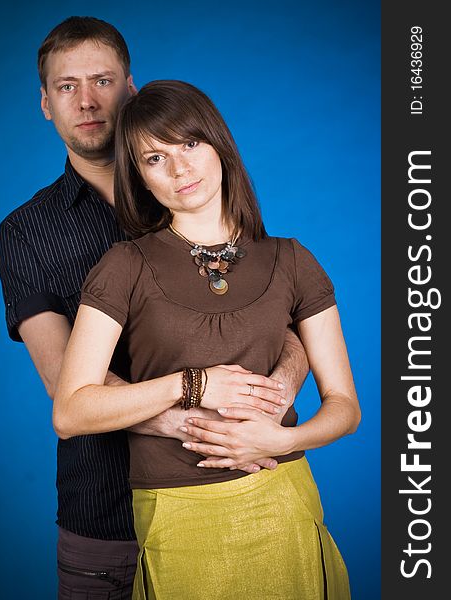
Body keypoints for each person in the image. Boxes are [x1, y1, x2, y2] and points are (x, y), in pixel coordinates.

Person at [0, 17, 309, 599]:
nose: (87, 101)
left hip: (236, 496)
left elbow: (284, 317)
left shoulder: (194, 184)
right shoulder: (26, 231)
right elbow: (64, 380)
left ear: (132, 89)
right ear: (45, 104)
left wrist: (279, 394)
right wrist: (197, 412)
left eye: (102, 80)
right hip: (106, 515)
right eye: (66, 87)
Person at [54, 80, 361, 599]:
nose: (179, 169)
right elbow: (71, 412)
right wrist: (194, 384)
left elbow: (344, 406)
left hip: (285, 497)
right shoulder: (123, 267)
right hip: (178, 514)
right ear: (141, 179)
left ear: (219, 146)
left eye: (190, 144)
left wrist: (285, 439)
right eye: (155, 158)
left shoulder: (292, 259)